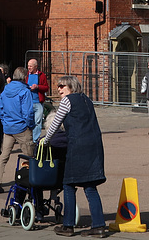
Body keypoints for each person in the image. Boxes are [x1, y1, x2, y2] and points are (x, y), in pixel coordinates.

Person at [42, 75, 107, 238]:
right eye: (58, 86)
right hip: (94, 145)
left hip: (78, 146)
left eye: (62, 86)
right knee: (90, 185)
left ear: (71, 86)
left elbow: (56, 123)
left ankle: (68, 225)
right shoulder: (87, 100)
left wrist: (46, 140)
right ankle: (99, 226)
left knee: (68, 184)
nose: (58, 89)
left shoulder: (67, 101)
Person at [0, 67, 35, 194]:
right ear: (24, 77)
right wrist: (30, 125)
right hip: (22, 127)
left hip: (8, 127)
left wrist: (4, 122)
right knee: (29, 156)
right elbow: (28, 112)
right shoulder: (25, 91)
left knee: (3, 156)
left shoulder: (6, 89)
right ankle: (30, 181)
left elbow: (0, 108)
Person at [26, 58, 49, 143]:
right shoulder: (26, 75)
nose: (29, 68)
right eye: (28, 66)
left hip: (38, 102)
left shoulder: (41, 75)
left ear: (36, 67)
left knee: (38, 121)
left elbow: (46, 87)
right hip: (28, 102)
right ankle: (28, 138)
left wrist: (38, 87)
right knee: (28, 120)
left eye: (30, 66)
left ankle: (35, 140)